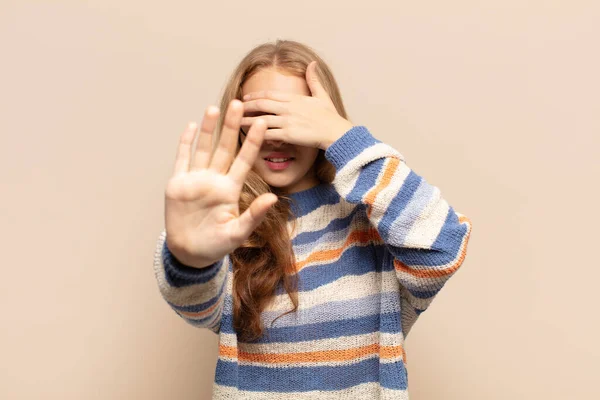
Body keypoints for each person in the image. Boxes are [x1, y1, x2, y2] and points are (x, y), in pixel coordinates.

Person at [152, 39, 473, 399]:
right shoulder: (228, 224)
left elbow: (442, 249)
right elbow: (200, 309)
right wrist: (192, 260)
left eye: (290, 118)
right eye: (257, 118)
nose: (274, 136)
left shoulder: (374, 217)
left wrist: (344, 137)